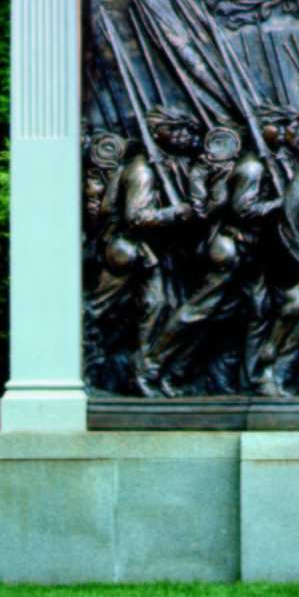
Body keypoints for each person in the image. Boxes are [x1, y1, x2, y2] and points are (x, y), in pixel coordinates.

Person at [135, 107, 299, 396]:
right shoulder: (252, 167)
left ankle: (251, 379)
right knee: (196, 312)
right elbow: (244, 210)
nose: (283, 134)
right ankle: (148, 369)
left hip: (253, 252)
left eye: (285, 128)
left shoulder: (272, 163)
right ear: (262, 128)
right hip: (230, 248)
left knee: (260, 311)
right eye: (277, 127)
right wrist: (286, 201)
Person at [84, 107, 201, 393]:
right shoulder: (142, 171)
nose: (184, 136)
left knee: (157, 305)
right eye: (175, 130)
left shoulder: (167, 165)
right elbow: (136, 217)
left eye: (186, 130)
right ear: (155, 132)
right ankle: (76, 370)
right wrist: (177, 212)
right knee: (95, 309)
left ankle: (141, 375)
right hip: (125, 249)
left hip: (144, 252)